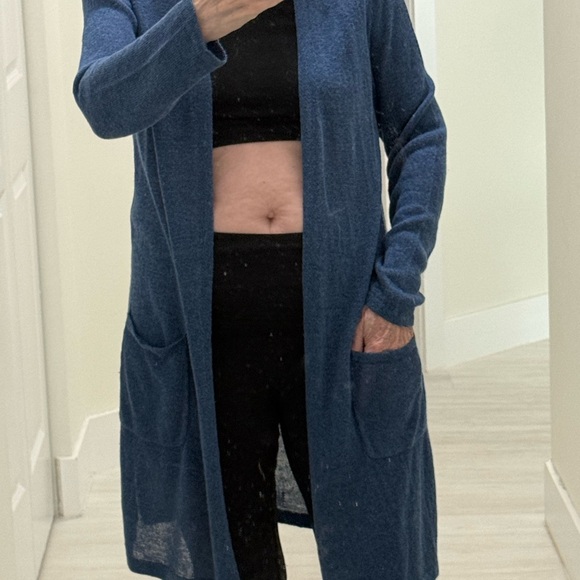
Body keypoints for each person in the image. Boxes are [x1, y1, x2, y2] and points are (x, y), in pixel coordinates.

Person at [73, 0, 446, 578]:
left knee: (377, 548)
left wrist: (395, 294)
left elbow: (419, 130)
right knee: (233, 556)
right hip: (202, 325)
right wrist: (197, 23)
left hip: (345, 320)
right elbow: (103, 103)